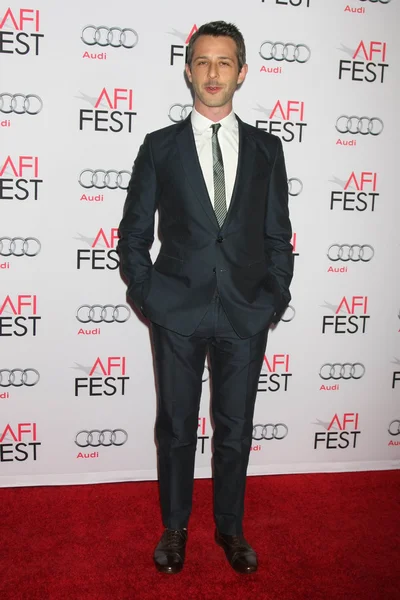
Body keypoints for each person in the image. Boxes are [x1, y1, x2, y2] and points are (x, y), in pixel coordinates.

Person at [117, 21, 293, 575]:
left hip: (245, 311)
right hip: (176, 310)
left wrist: (274, 297)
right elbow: (134, 235)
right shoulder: (159, 147)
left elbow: (276, 235)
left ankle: (230, 529)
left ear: (242, 73)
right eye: (202, 61)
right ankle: (174, 528)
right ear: (187, 69)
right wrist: (149, 298)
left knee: (236, 427)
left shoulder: (267, 149)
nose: (212, 73)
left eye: (224, 62)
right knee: (175, 425)